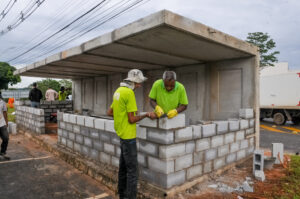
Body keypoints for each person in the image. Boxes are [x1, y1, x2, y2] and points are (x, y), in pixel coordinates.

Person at [107, 69, 155, 199]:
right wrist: (146, 114)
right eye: (138, 83)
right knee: (133, 172)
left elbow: (110, 112)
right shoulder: (129, 93)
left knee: (123, 168)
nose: (139, 86)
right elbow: (132, 119)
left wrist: (122, 115)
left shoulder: (118, 91)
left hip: (122, 134)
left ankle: (122, 195)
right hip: (129, 137)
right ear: (133, 82)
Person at [0, 92, 10, 160]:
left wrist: (6, 122)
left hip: (2, 123)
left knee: (6, 138)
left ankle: (3, 152)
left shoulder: (2, 102)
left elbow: (4, 112)